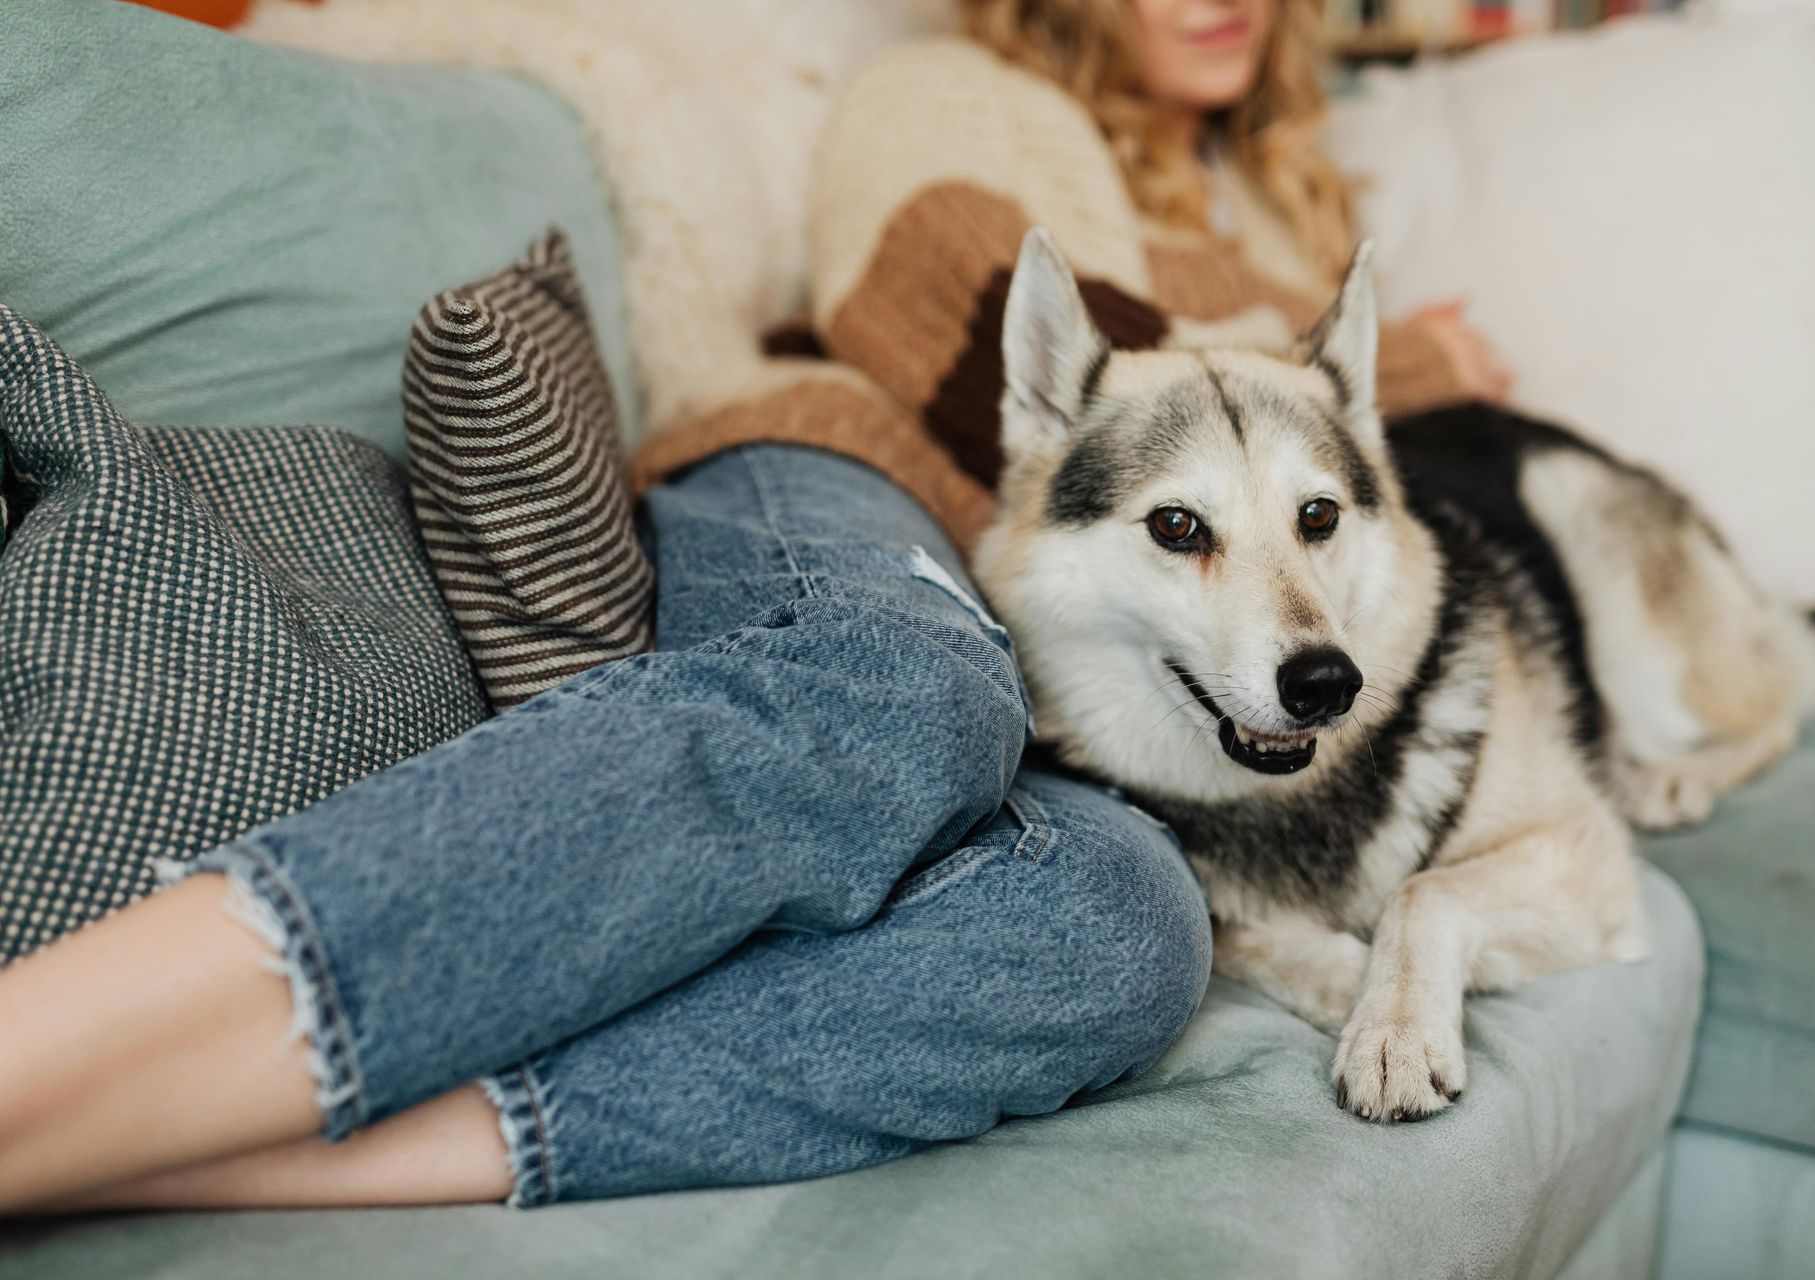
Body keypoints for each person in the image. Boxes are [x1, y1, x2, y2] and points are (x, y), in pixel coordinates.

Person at [0, 0, 1504, 1213]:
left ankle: (202, 1151)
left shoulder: (1283, 224)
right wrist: (1383, 391)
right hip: (844, 464)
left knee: (1120, 936)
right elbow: (940, 313)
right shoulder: (951, 94)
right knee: (901, 701)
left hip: (1087, 668)